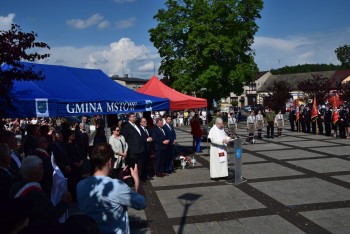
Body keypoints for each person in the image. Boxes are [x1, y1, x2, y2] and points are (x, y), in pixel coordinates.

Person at [76, 143, 146, 234]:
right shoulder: (117, 186)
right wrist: (137, 179)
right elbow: (141, 203)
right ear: (110, 162)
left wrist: (118, 180)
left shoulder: (80, 185)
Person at [9, 155, 71, 225]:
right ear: (34, 175)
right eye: (41, 168)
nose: (43, 171)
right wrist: (64, 203)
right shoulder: (36, 195)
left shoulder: (15, 186)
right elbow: (49, 218)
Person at [122, 113, 144, 180]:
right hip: (132, 150)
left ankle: (138, 179)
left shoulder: (136, 125)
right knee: (132, 166)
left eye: (135, 116)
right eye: (133, 117)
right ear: (129, 118)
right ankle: (132, 180)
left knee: (139, 166)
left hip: (140, 149)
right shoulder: (126, 126)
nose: (135, 117)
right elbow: (124, 139)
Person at [139, 117, 153, 183]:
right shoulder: (139, 129)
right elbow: (140, 138)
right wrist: (146, 139)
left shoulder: (147, 128)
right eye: (144, 122)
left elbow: (149, 135)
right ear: (140, 123)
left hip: (148, 149)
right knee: (143, 164)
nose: (146, 122)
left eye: (146, 121)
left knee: (147, 163)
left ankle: (146, 176)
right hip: (143, 149)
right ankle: (142, 178)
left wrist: (150, 138)